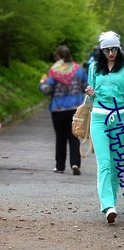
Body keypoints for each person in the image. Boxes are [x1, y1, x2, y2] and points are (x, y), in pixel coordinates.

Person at [85, 31, 124, 223]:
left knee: (116, 164)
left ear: (119, 48)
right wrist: (90, 92)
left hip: (119, 118)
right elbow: (91, 97)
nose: (110, 53)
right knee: (105, 163)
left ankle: (112, 201)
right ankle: (107, 205)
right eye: (106, 50)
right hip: (99, 118)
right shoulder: (93, 68)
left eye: (114, 49)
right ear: (101, 50)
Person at [39, 45, 88, 175]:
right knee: (73, 137)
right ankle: (75, 163)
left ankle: (60, 166)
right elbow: (86, 87)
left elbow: (47, 90)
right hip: (75, 109)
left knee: (60, 138)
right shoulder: (79, 70)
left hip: (58, 109)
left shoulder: (54, 71)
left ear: (58, 57)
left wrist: (42, 83)